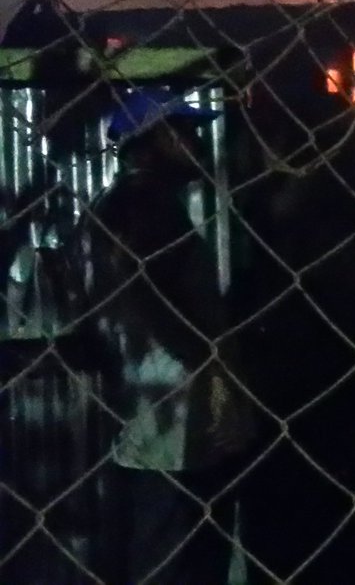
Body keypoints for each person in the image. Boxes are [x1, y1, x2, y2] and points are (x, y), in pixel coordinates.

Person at [73, 88, 256, 584]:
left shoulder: (124, 205)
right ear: (147, 143)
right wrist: (210, 373)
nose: (195, 143)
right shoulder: (146, 208)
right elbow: (150, 307)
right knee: (180, 560)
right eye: (181, 132)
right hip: (174, 423)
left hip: (154, 420)